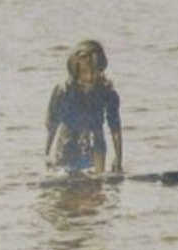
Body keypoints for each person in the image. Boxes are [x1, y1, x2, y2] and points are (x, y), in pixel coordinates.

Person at [45, 39, 123, 176]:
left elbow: (115, 128)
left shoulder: (107, 93)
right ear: (76, 71)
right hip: (67, 144)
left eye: (95, 72)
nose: (90, 77)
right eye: (84, 72)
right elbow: (52, 124)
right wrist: (46, 155)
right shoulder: (64, 91)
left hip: (96, 143)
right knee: (65, 183)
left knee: (96, 188)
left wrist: (118, 158)